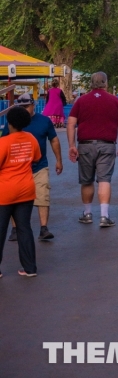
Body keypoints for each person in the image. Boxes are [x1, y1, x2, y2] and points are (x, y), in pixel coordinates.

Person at [67, 72, 118, 228]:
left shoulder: (81, 101)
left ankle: (87, 214)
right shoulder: (114, 101)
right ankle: (104, 216)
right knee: (104, 180)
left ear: (91, 84)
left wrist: (72, 145)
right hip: (107, 145)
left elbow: (71, 124)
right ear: (105, 83)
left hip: (85, 145)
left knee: (86, 180)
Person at [2, 93, 63, 242]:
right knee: (14, 198)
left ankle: (44, 228)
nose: (24, 109)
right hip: (16, 167)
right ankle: (15, 229)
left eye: (27, 106)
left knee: (43, 195)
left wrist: (59, 160)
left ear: (33, 105)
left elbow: (54, 140)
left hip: (39, 166)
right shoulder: (14, 122)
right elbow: (4, 142)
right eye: (21, 106)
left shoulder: (44, 121)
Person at [0, 105, 41, 277]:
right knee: (24, 228)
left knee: (0, 230)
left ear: (9, 123)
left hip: (5, 190)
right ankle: (30, 267)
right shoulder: (31, 138)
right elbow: (37, 158)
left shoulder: (4, 142)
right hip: (26, 189)